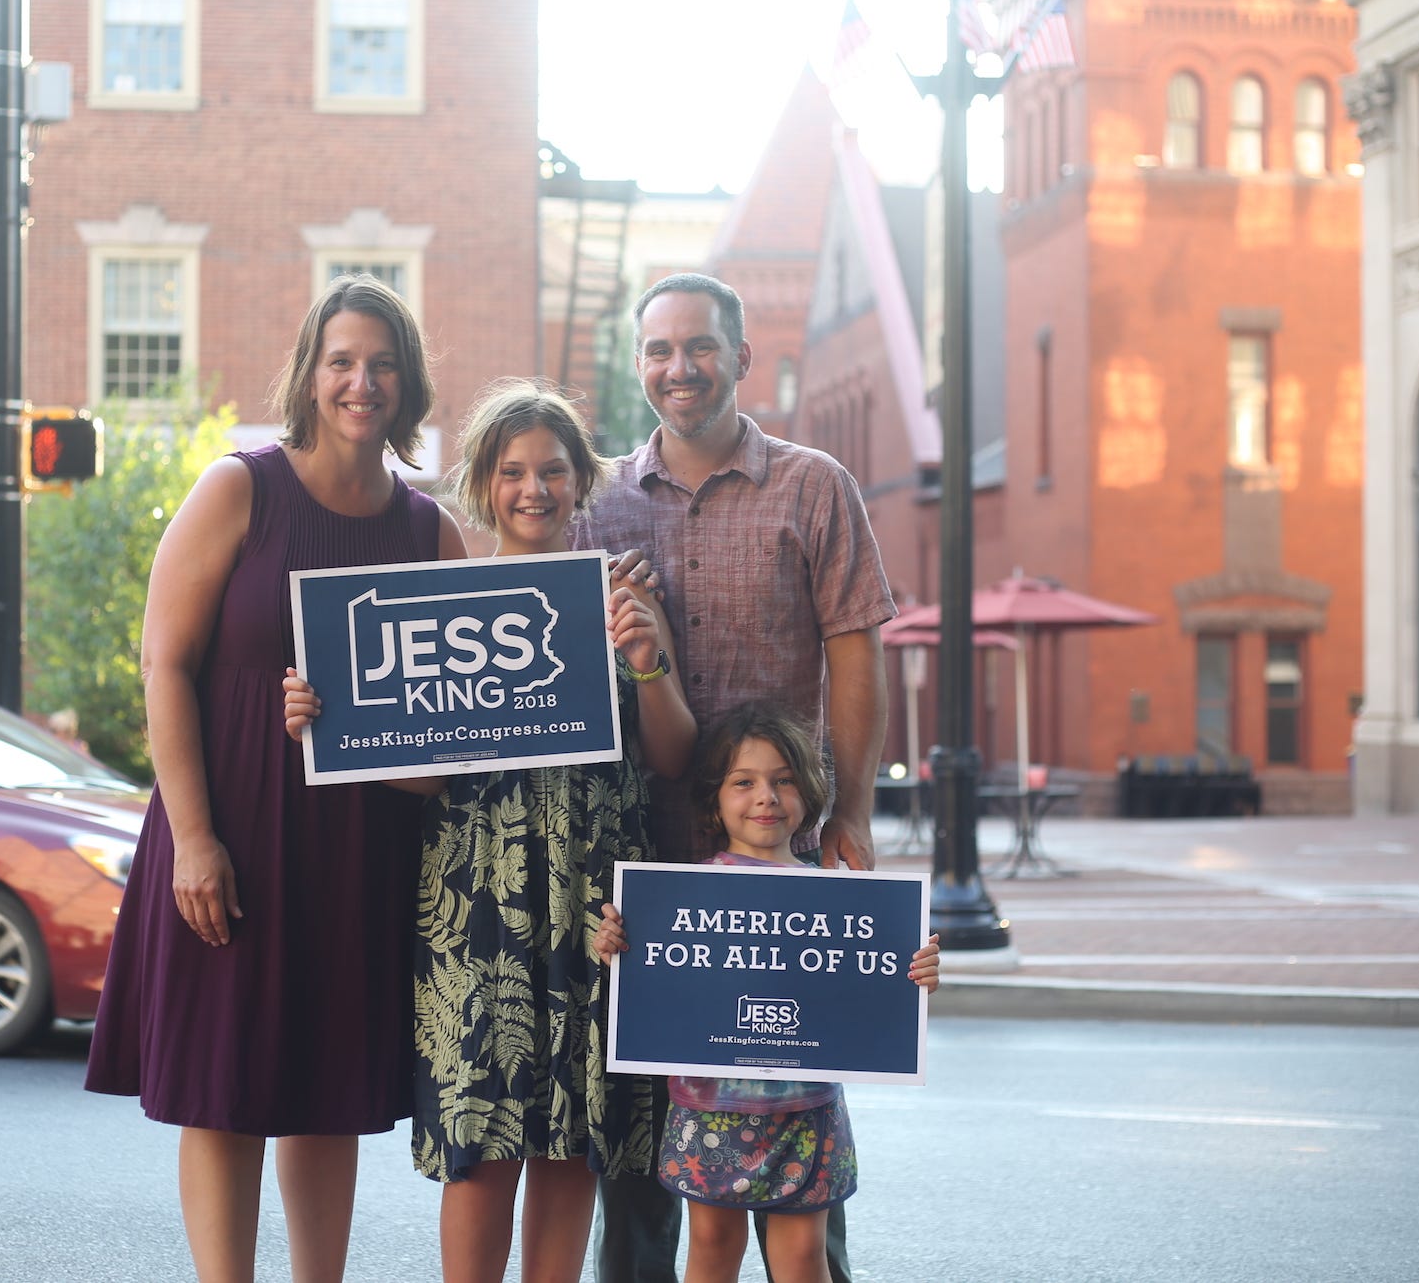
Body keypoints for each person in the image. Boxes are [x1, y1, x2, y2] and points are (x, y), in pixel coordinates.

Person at [84, 274, 467, 1283]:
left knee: (325, 1088)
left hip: (357, 847)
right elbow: (163, 662)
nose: (361, 381)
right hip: (234, 827)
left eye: (382, 364)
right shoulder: (239, 488)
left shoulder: (429, 532)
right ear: (309, 372)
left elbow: (451, 728)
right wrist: (195, 837)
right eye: (342, 360)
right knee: (224, 1082)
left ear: (407, 383)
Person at [284, 381, 697, 1283]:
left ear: (582, 480)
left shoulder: (619, 593)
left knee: (570, 1139)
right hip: (475, 903)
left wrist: (649, 659)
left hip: (597, 901)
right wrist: (328, 720)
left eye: (553, 470)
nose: (533, 489)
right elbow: (422, 769)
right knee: (482, 1137)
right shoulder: (443, 604)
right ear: (482, 481)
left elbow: (671, 755)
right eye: (512, 471)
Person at [577, 273, 898, 1283]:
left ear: (741, 359)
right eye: (659, 350)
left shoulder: (813, 486)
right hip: (644, 863)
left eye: (700, 347)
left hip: (769, 862)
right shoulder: (600, 502)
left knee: (788, 1133)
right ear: (638, 365)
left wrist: (848, 809)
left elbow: (854, 654)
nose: (680, 367)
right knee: (641, 1155)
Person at [594, 703, 940, 1283]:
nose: (766, 797)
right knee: (711, 1248)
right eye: (744, 782)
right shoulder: (677, 895)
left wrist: (921, 973)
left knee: (804, 1260)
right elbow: (650, 981)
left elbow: (878, 998)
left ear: (808, 794)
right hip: (708, 1108)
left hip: (806, 1110)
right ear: (714, 799)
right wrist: (616, 945)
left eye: (783, 780)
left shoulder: (842, 900)